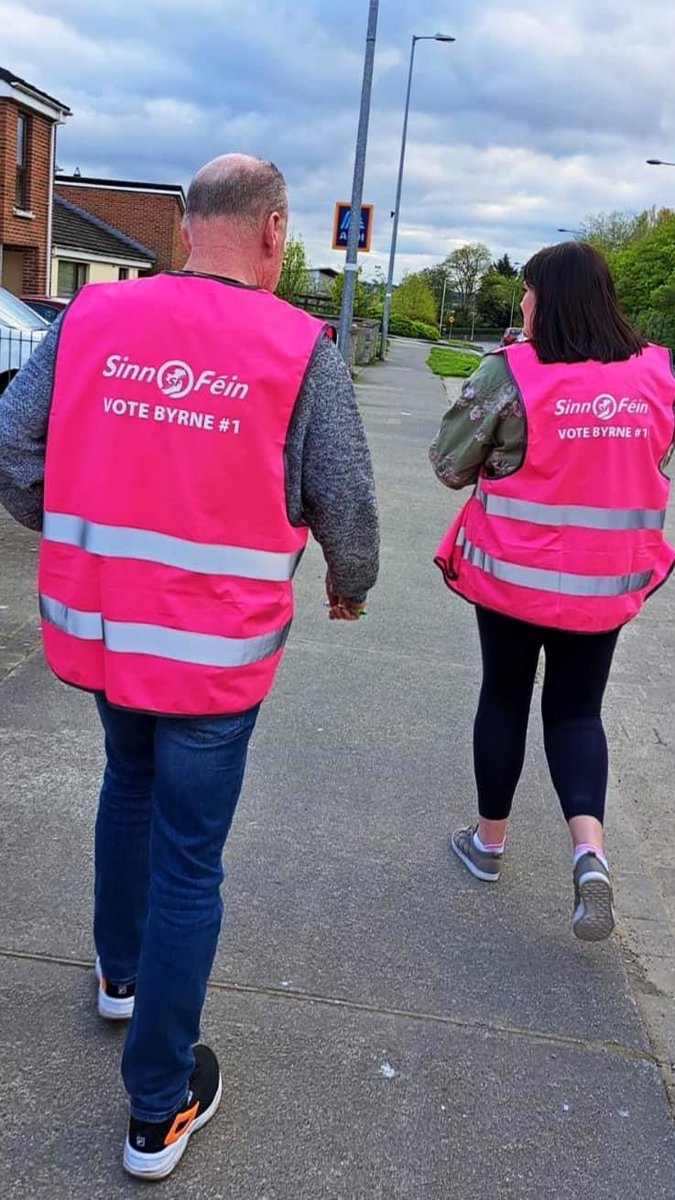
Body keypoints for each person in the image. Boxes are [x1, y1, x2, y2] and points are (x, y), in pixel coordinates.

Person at [0, 153, 379, 1179]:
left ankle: (119, 977)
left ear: (183, 229)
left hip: (109, 628)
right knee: (189, 859)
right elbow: (342, 495)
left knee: (127, 782)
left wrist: (70, 529)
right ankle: (155, 1109)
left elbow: (13, 443)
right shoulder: (302, 349)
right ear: (274, 233)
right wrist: (354, 580)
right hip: (214, 652)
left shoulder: (93, 322)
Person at [430, 241, 675, 943]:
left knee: (504, 697)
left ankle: (488, 844)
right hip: (605, 582)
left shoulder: (510, 373)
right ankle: (588, 851)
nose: (521, 304)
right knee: (575, 714)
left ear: (551, 300)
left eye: (528, 292)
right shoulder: (657, 373)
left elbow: (449, 464)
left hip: (514, 577)